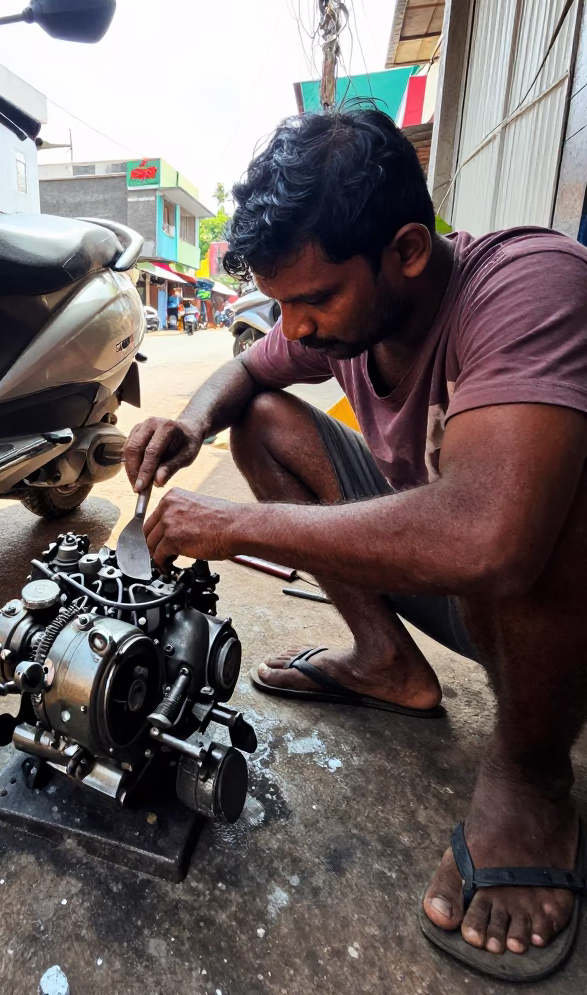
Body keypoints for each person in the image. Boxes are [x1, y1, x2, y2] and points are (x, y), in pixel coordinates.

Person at [124, 109, 587, 981]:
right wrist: (190, 425)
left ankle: (532, 778)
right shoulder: (344, 317)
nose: (295, 328)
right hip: (467, 582)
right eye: (282, 303)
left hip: (551, 602)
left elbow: (492, 539)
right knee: (257, 419)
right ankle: (386, 663)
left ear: (407, 250)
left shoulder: (529, 285)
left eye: (315, 300)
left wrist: (233, 526)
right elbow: (249, 371)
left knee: (533, 505)